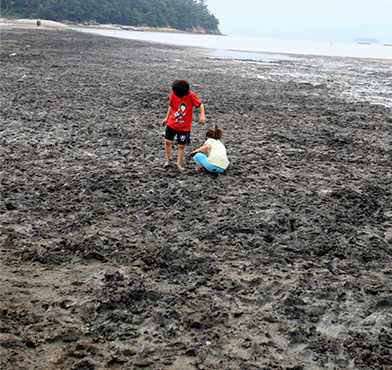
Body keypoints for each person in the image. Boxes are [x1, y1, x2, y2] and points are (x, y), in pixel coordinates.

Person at [162, 79, 205, 170]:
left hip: (184, 127)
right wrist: (167, 118)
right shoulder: (173, 94)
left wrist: (202, 115)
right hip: (172, 123)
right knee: (167, 141)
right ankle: (169, 160)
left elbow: (200, 105)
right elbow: (171, 106)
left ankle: (179, 164)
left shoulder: (192, 96)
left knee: (181, 145)